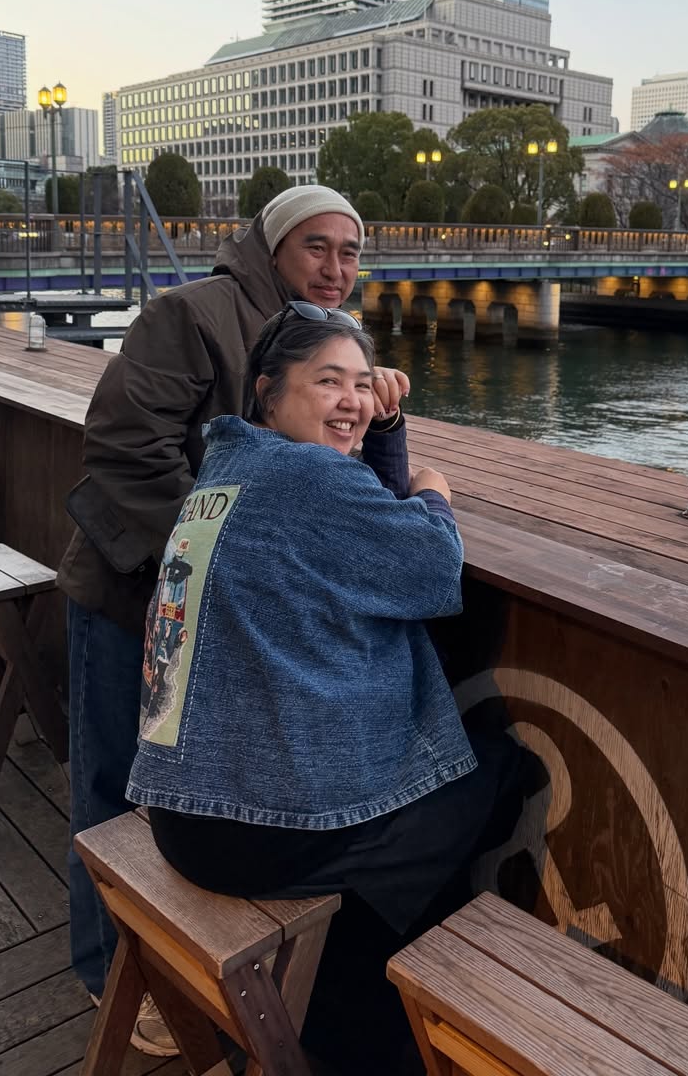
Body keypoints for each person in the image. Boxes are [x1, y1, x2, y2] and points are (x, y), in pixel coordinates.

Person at [128, 306, 524, 1073]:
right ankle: (362, 1015)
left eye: (360, 384)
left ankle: (354, 1004)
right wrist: (435, 493)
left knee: (415, 823)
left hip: (180, 810)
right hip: (249, 835)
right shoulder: (304, 479)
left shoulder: (230, 467)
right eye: (327, 382)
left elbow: (353, 515)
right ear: (270, 392)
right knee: (492, 773)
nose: (351, 399)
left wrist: (384, 430)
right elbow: (426, 569)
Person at [60, 185, 410, 1055]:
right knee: (111, 787)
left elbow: (316, 471)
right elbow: (121, 444)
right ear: (271, 244)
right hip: (132, 593)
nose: (337, 268)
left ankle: (174, 980)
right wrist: (214, 554)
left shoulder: (315, 344)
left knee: (171, 785)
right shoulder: (193, 312)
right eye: (317, 247)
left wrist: (373, 405)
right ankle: (109, 976)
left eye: (352, 251)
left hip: (211, 613)